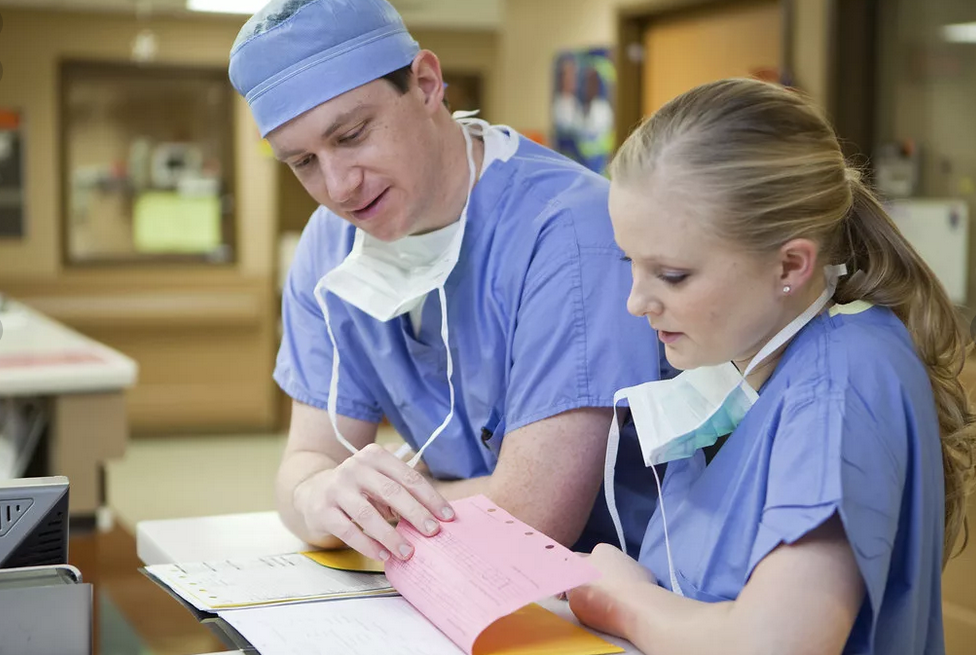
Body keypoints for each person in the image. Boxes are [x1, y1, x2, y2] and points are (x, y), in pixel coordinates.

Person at [227, 0, 665, 564]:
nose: (338, 187)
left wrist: (374, 504)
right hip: (449, 571)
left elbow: (534, 516)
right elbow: (306, 463)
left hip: (613, 584)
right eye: (302, 163)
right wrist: (317, 495)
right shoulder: (328, 246)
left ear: (427, 84)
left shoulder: (570, 229)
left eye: (352, 135)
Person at [567, 78, 976, 654]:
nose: (636, 302)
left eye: (673, 275)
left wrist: (621, 599)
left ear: (790, 264)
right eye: (630, 262)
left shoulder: (839, 385)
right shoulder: (753, 361)